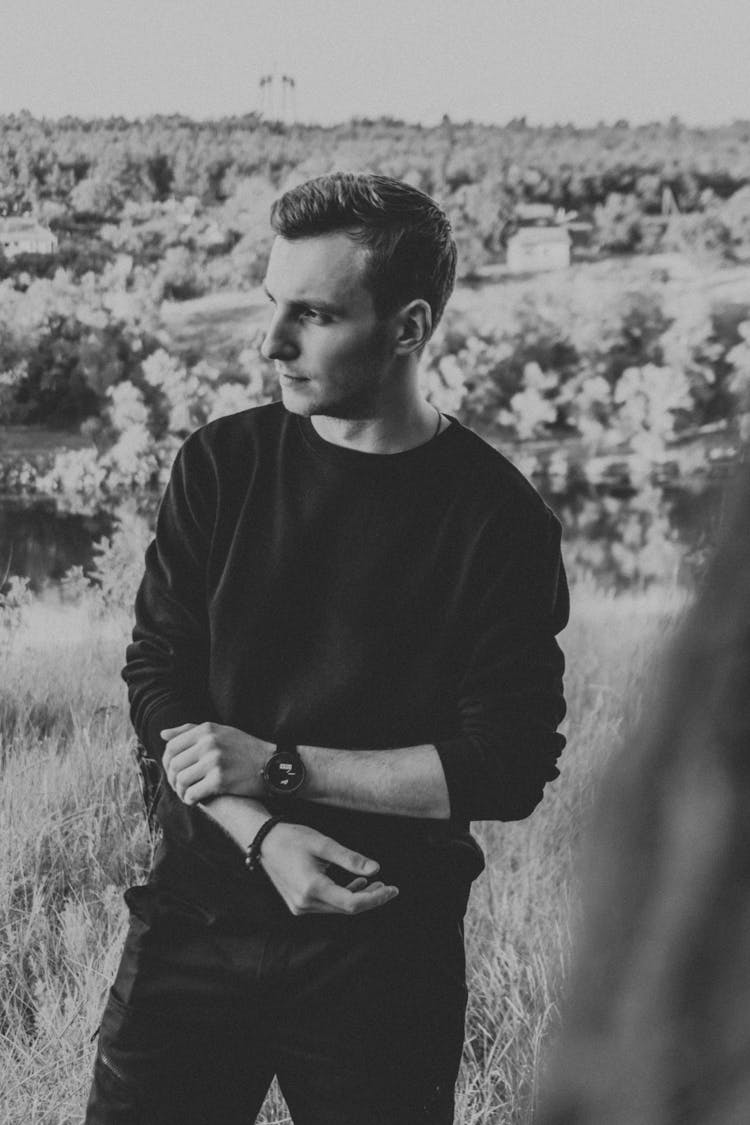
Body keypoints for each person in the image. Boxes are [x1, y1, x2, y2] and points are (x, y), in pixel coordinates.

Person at [85, 172, 569, 1125]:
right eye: (274, 304)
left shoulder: (498, 521)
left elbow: (507, 765)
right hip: (196, 919)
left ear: (407, 327)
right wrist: (261, 830)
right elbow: (158, 677)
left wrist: (280, 768)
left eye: (313, 313)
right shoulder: (220, 466)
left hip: (384, 949)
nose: (272, 342)